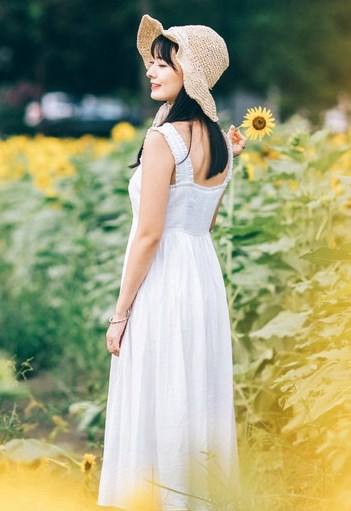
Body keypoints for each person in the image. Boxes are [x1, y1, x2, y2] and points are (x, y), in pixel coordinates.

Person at [98, 14, 246, 511]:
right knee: (192, 392)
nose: (151, 72)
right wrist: (234, 157)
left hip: (164, 280)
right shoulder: (221, 143)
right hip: (201, 278)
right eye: (153, 63)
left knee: (157, 394)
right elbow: (203, 224)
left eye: (163, 63)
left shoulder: (163, 140)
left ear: (190, 72)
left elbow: (149, 233)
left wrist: (121, 313)